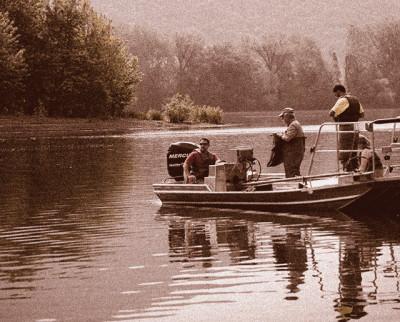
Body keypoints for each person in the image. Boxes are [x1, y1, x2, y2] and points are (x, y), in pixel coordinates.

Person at [329, 84, 364, 171]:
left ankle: (347, 172)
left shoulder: (342, 100)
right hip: (356, 128)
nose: (335, 96)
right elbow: (362, 114)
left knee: (345, 152)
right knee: (354, 151)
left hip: (345, 128)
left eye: (335, 93)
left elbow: (331, 113)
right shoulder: (355, 99)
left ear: (338, 91)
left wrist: (337, 120)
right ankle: (355, 170)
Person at [275, 107, 305, 178]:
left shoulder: (293, 125)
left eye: (283, 117)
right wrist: (283, 134)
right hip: (296, 152)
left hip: (293, 153)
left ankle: (292, 185)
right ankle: (296, 182)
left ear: (287, 116)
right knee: (294, 170)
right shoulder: (295, 123)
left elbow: (287, 138)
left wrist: (279, 135)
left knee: (291, 171)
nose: (282, 119)